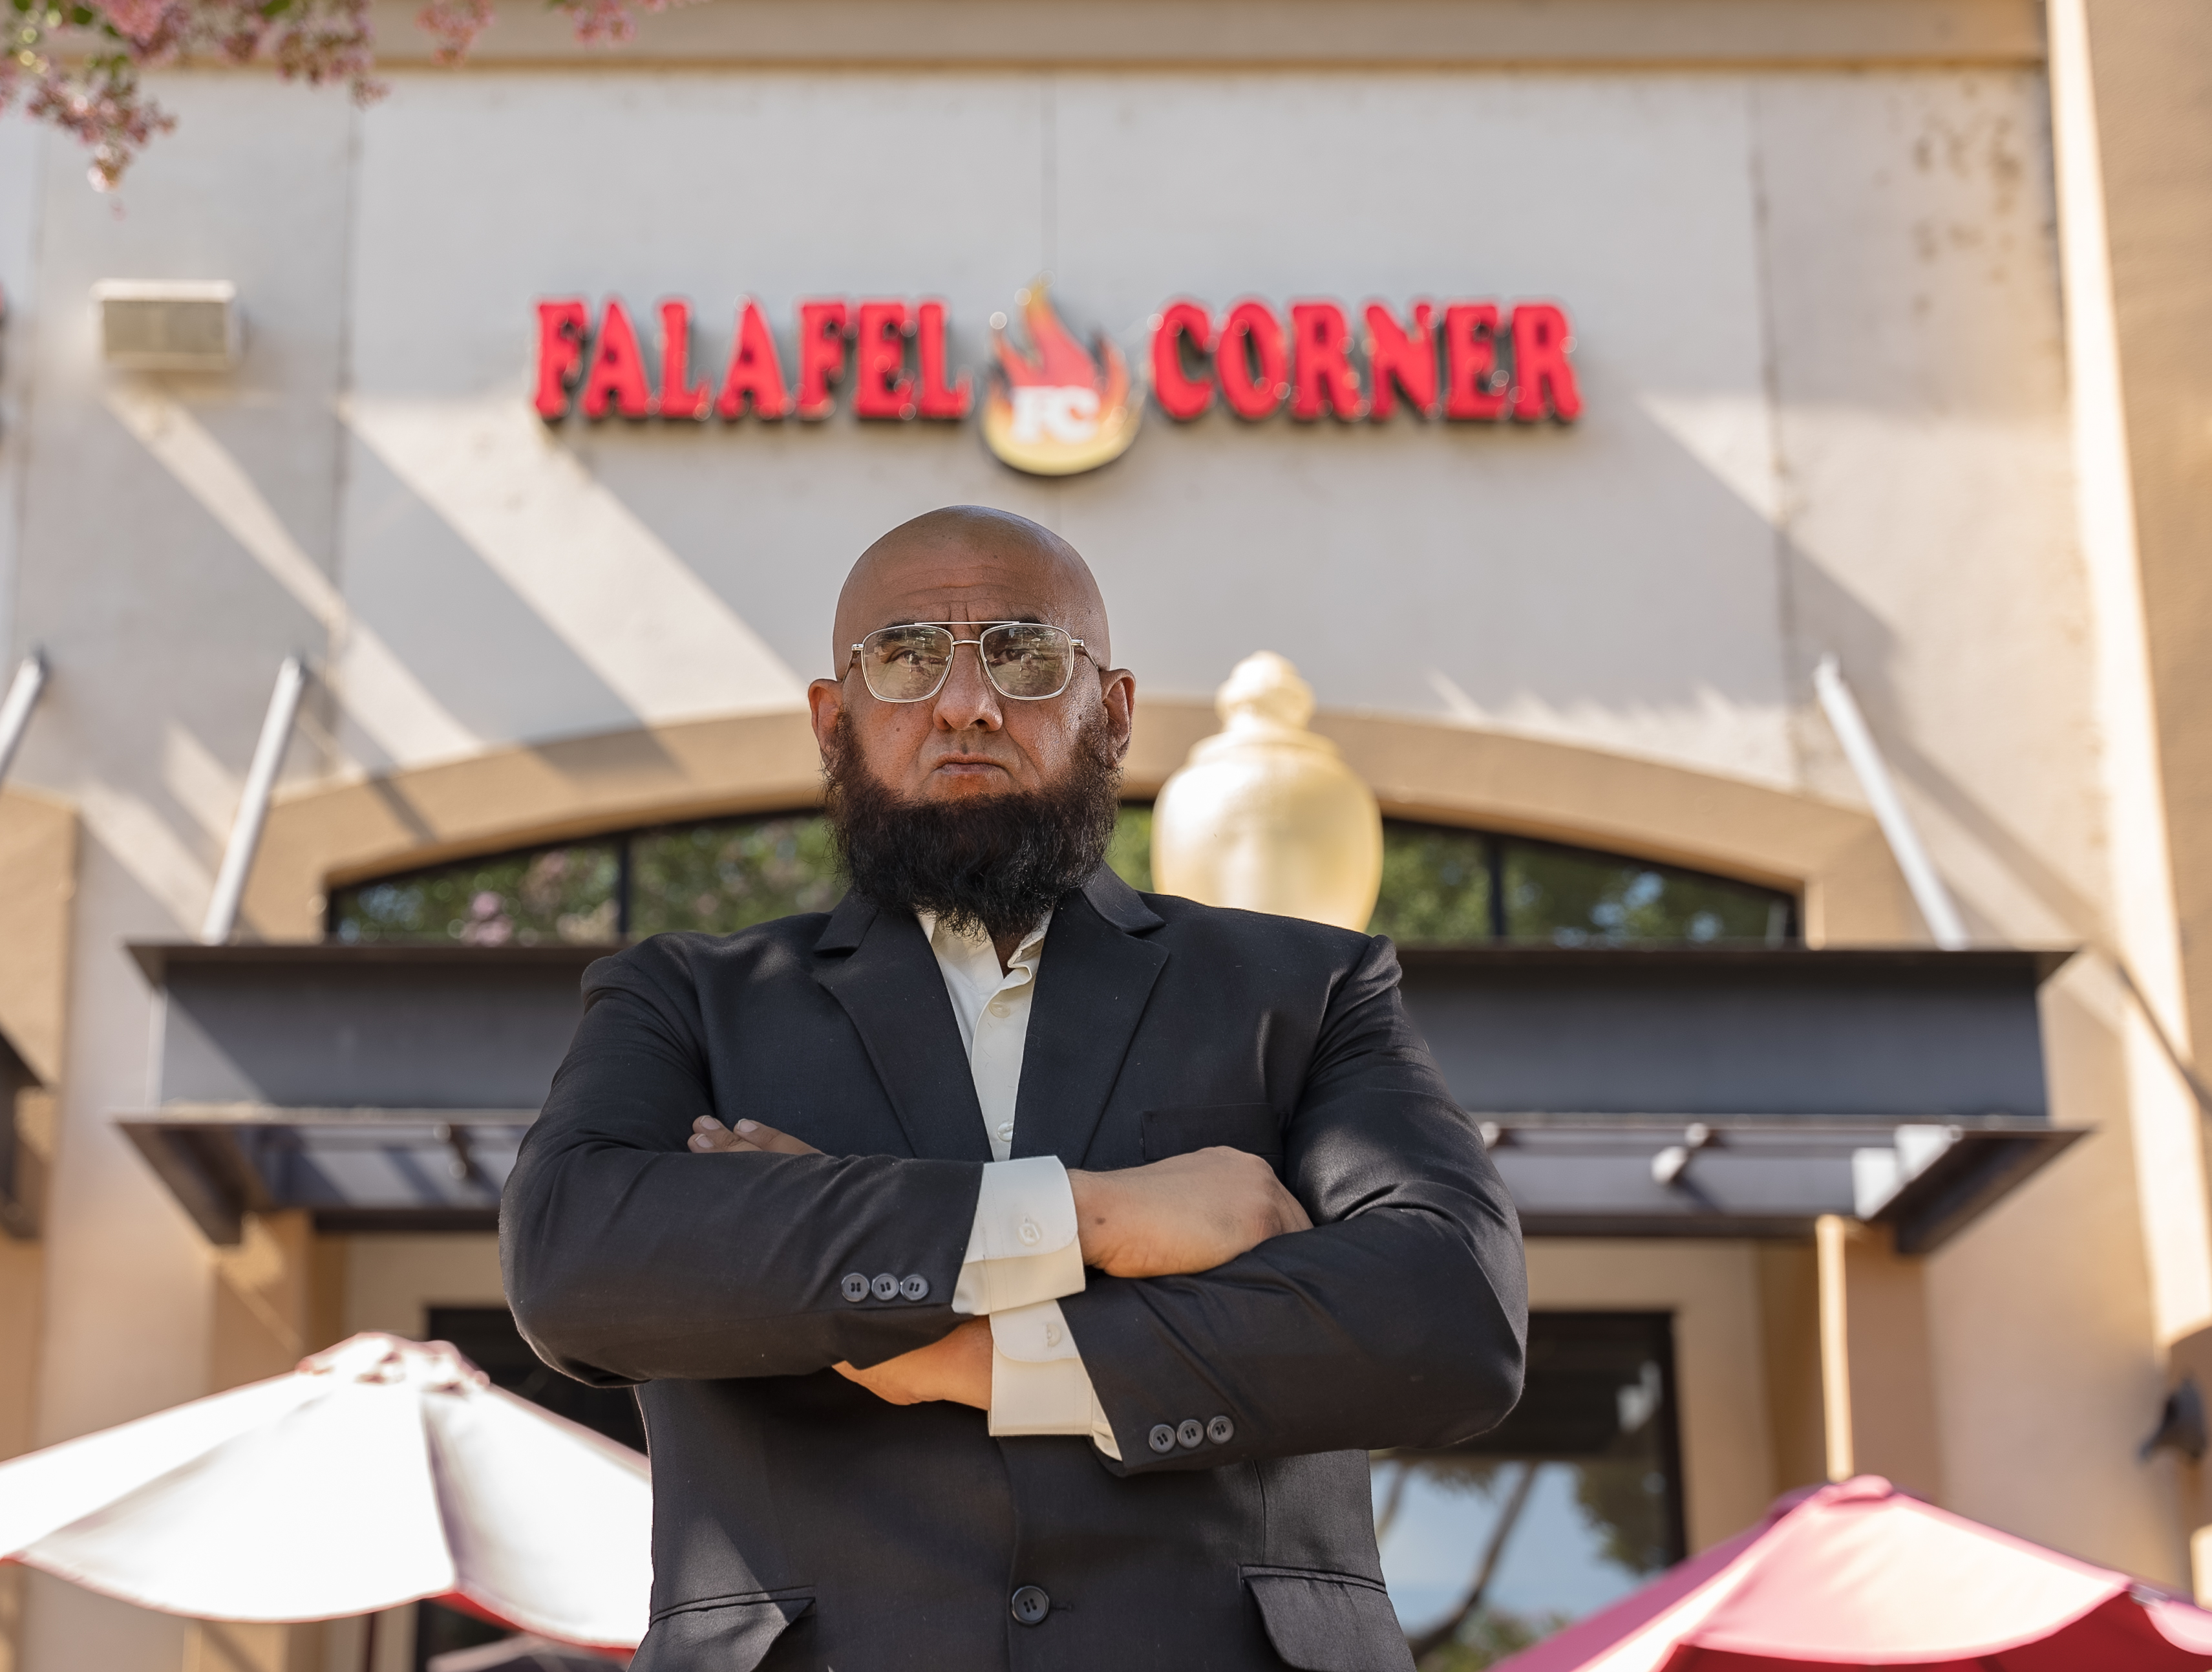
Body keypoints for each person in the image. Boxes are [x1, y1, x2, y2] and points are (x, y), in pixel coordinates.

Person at [502, 506, 1527, 1672]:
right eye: (907, 657)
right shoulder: (687, 999)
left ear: (1116, 709)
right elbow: (577, 1259)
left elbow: (1449, 1315)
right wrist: (1098, 1215)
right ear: (833, 721)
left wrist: (968, 1357)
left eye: (1024, 654)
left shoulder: (1306, 988)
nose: (966, 704)